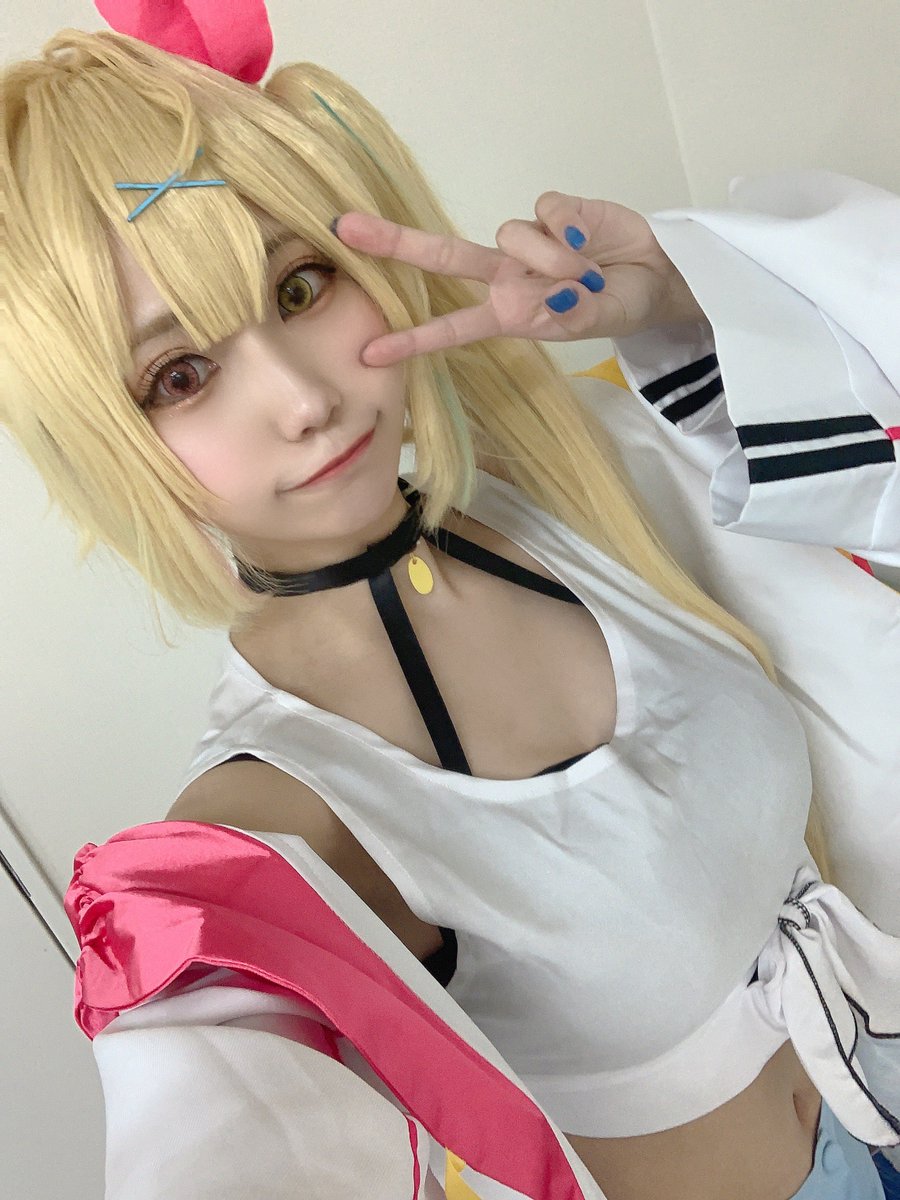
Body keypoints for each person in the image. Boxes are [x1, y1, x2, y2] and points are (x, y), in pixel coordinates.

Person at [3, 8, 899, 1199]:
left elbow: (863, 471)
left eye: (301, 285)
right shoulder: (277, 819)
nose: (303, 399)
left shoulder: (587, 482)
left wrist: (681, 293)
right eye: (182, 374)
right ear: (103, 441)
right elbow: (224, 1127)